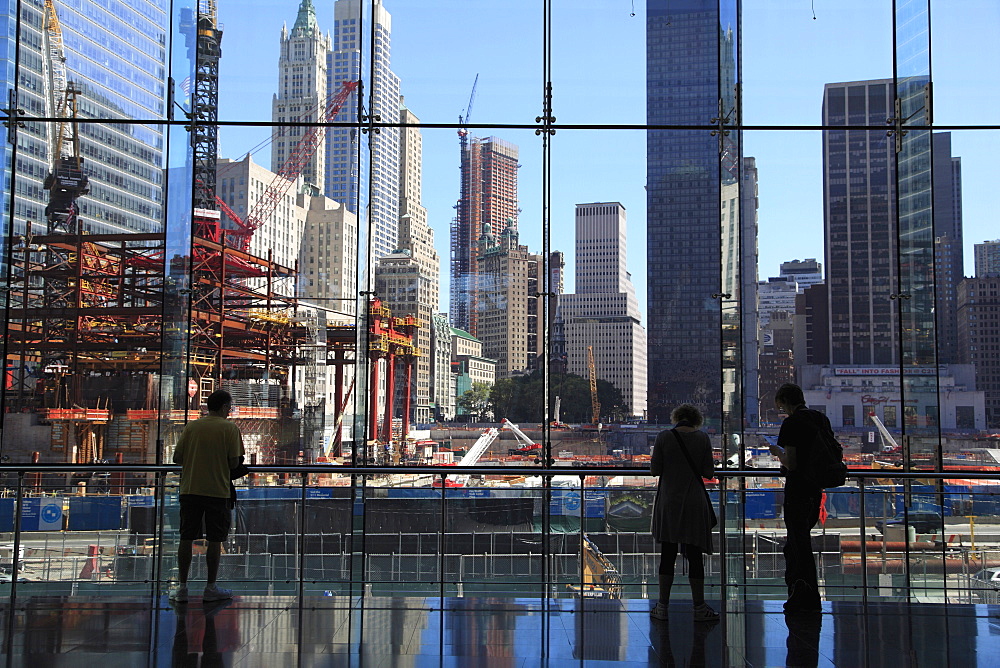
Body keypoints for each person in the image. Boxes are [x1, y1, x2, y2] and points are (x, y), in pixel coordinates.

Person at [169, 389, 245, 603]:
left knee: (186, 537)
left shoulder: (192, 426)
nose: (230, 412)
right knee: (215, 539)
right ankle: (210, 587)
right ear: (223, 407)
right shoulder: (230, 429)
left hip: (190, 489)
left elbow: (177, 458)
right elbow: (233, 463)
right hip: (217, 491)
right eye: (229, 408)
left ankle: (182, 588)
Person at [649, 403, 719, 622]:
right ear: (696, 419)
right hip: (694, 502)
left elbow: (655, 470)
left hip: (669, 501)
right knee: (695, 556)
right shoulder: (702, 438)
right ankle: (699, 607)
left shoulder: (663, 437)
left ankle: (662, 606)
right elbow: (708, 472)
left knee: (667, 555)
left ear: (676, 417)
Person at [768, 382, 828, 613]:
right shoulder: (820, 419)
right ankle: (808, 594)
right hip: (816, 488)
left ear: (783, 402)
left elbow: (791, 462)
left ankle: (803, 594)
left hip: (798, 489)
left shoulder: (791, 423)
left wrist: (777, 452)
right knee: (801, 541)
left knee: (796, 544)